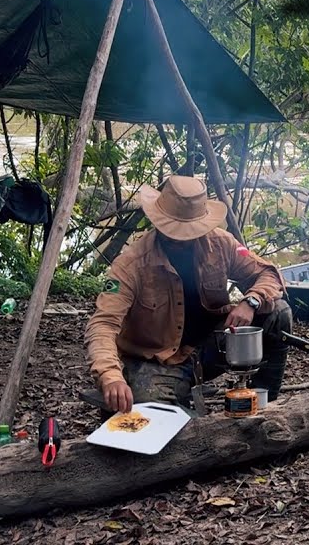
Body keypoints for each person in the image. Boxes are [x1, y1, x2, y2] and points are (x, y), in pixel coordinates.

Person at [83, 176, 291, 413]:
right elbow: (102, 324)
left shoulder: (221, 243)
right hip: (158, 361)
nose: (182, 238)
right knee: (154, 417)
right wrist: (111, 377)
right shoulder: (131, 265)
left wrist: (251, 301)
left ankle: (265, 403)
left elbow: (270, 274)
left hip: (213, 345)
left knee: (278, 313)